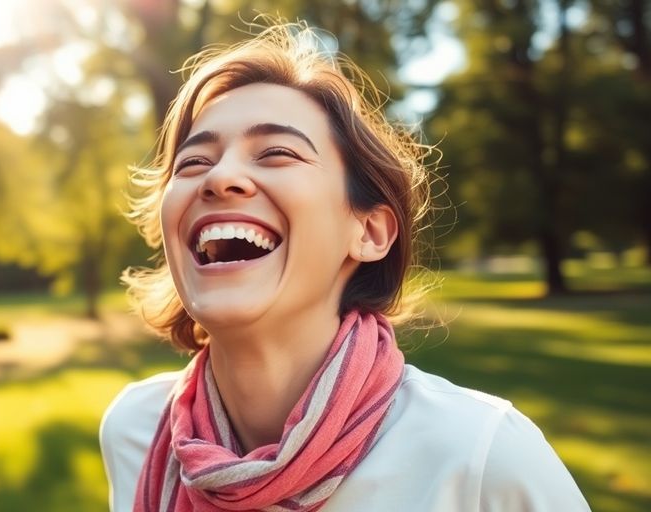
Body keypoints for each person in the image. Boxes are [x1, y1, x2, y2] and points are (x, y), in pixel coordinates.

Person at [99, 22, 591, 512]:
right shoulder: (134, 429)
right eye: (193, 162)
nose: (221, 176)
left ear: (370, 232)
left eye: (277, 153)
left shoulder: (481, 456)